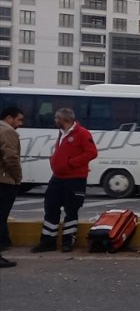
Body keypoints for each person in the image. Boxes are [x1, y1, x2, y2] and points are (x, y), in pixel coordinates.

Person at [31, 108, 98, 253]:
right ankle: (48, 242)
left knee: (71, 210)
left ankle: (68, 242)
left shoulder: (82, 133)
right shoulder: (61, 133)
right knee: (50, 207)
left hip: (74, 178)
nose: (55, 121)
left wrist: (71, 163)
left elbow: (92, 152)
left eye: (57, 118)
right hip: (58, 177)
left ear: (65, 119)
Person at [1, 106, 24, 268]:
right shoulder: (7, 131)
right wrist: (17, 178)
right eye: (19, 119)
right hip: (4, 181)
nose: (20, 124)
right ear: (9, 118)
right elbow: (11, 158)